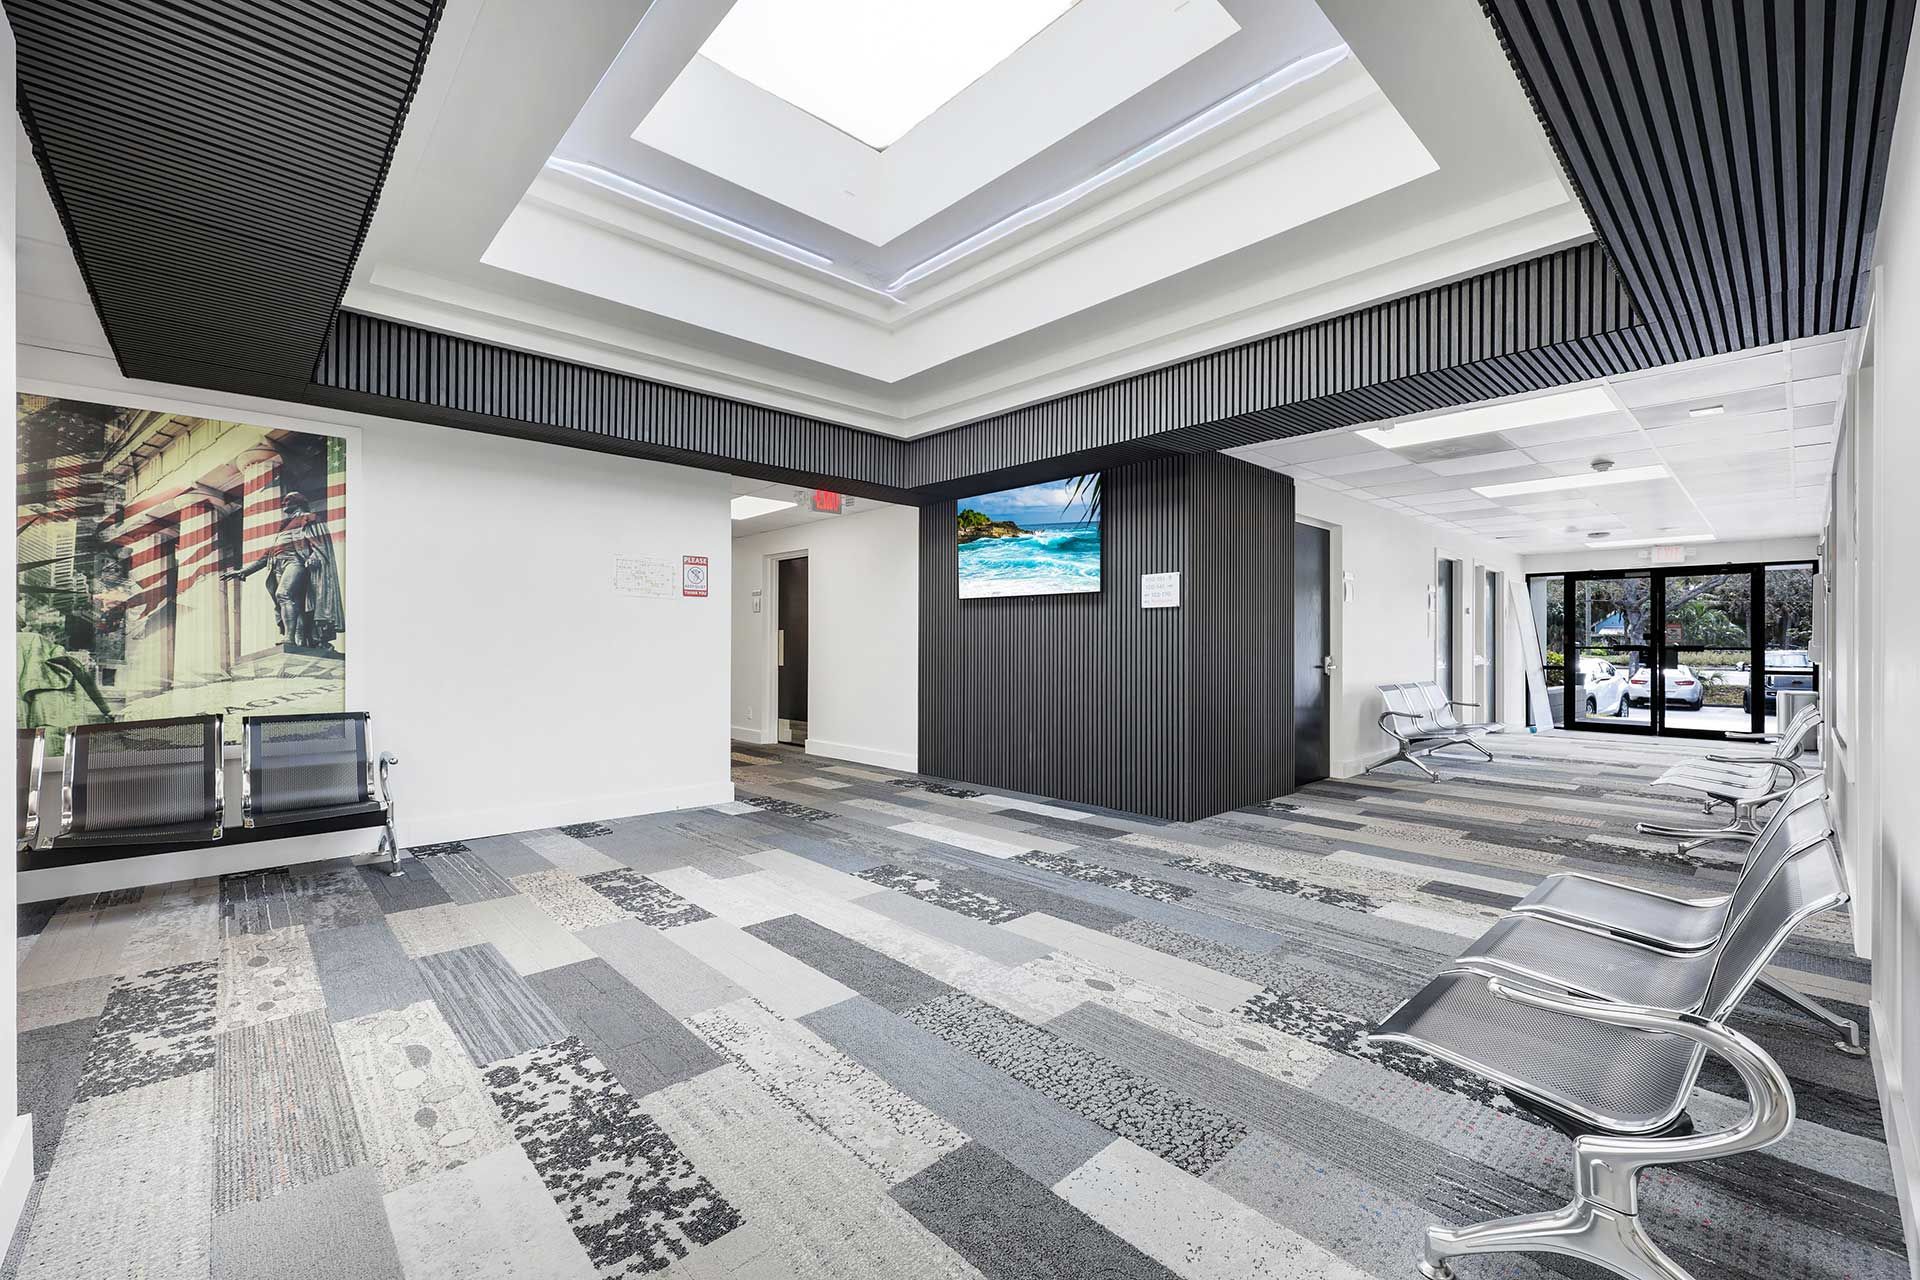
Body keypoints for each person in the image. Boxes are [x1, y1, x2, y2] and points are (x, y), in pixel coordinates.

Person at [223, 490, 344, 651]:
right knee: (298, 607)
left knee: (283, 594)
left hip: (296, 562)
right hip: (278, 566)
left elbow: (320, 541)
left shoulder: (308, 517)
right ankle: (301, 642)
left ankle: (289, 638)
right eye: (284, 501)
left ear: (299, 502)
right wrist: (244, 571)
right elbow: (267, 555)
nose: (284, 503)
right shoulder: (284, 527)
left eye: (288, 500)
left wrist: (315, 554)